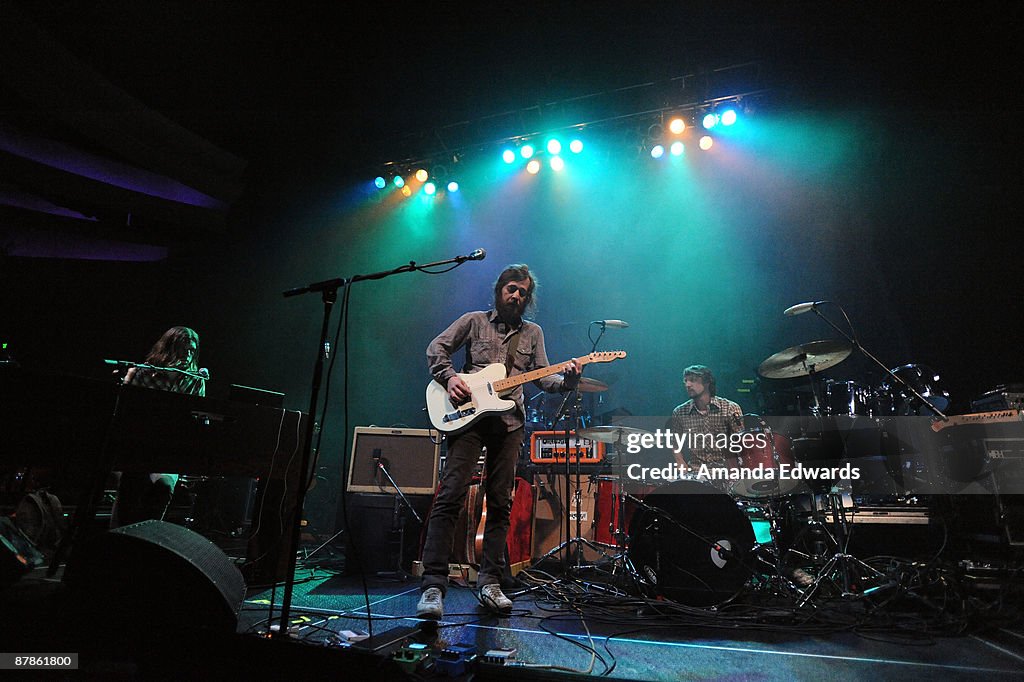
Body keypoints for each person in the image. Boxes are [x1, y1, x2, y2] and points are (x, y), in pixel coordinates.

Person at [417, 264, 581, 619]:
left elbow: (546, 380)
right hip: (469, 420)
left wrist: (567, 380)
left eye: (522, 292)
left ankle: (490, 582)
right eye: (511, 288)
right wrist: (449, 379)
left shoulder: (533, 333)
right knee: (449, 497)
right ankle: (433, 584)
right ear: (499, 290)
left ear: (528, 298)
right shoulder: (474, 321)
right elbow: (437, 348)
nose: (516, 295)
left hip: (509, 424)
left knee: (501, 503)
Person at [110, 326, 206, 528]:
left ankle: (147, 542)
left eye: (192, 350)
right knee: (132, 490)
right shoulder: (143, 372)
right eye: (184, 349)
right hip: (137, 445)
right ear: (170, 348)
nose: (188, 355)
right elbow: (125, 409)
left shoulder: (195, 381)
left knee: (163, 488)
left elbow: (197, 419)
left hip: (168, 449)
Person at [667, 364, 743, 479]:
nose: (687, 385)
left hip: (727, 473)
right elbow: (675, 443)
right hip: (697, 474)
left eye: (692, 380)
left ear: (707, 382)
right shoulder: (679, 412)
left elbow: (741, 443)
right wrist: (681, 463)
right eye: (685, 381)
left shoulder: (730, 408)